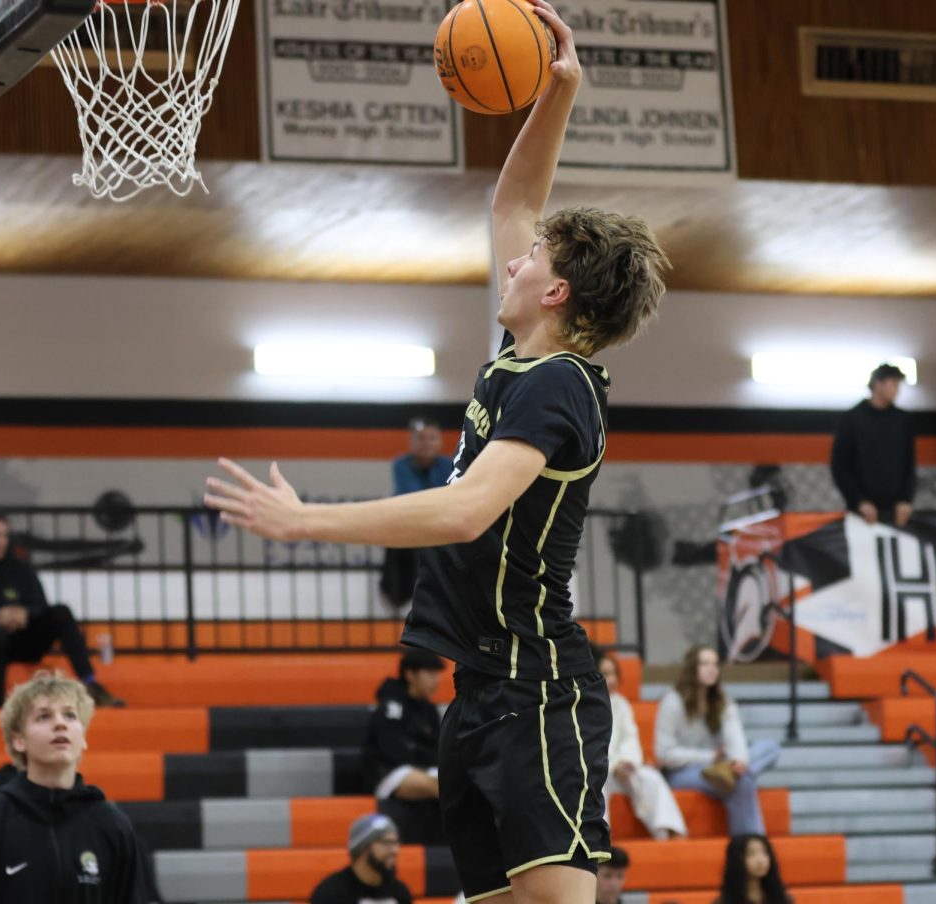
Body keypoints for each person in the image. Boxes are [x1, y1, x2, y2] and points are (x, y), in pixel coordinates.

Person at [202, 5, 668, 903]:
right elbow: (512, 200)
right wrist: (559, 92)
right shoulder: (517, 358)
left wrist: (308, 522)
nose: (512, 259)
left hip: (539, 684)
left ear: (557, 289)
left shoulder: (561, 384)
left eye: (530, 257)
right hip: (479, 689)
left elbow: (462, 510)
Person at [0, 670, 146, 903]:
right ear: (18, 740)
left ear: (83, 738)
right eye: (43, 717)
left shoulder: (113, 826)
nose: (60, 724)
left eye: (70, 716)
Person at [0, 510, 124, 708]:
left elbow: (40, 605)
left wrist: (24, 613)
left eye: (4, 535)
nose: (0, 541)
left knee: (60, 612)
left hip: (25, 639)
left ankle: (90, 684)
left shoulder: (21, 569)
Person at [655, 646, 780, 837]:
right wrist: (710, 757)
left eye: (715, 664)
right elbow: (664, 753)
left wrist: (739, 760)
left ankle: (734, 773)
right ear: (692, 668)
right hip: (682, 771)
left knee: (770, 748)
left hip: (722, 767)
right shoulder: (673, 701)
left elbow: (735, 735)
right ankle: (752, 846)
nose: (711, 669)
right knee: (744, 783)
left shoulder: (722, 700)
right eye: (704, 663)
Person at [595, 649, 685, 840]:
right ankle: (598, 844)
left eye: (613, 673)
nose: (610, 679)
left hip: (620, 767)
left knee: (650, 778)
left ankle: (668, 833)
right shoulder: (584, 707)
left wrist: (626, 762)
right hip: (597, 769)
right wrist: (613, 766)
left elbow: (629, 738)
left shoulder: (622, 704)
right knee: (595, 786)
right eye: (604, 673)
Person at [362, 649, 445, 845]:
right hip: (388, 772)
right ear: (410, 674)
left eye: (437, 674)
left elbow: (438, 748)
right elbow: (392, 750)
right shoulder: (391, 706)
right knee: (444, 786)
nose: (436, 680)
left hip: (420, 769)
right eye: (430, 674)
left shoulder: (429, 710)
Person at [830, 363, 916, 528]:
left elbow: (909, 464)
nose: (897, 390)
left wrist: (905, 499)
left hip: (896, 511)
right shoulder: (851, 419)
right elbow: (840, 466)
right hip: (861, 512)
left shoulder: (902, 420)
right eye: (894, 384)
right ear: (878, 383)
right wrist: (859, 501)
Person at [381, 419, 456, 606]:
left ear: (439, 441)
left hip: (441, 533)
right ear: (412, 442)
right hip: (409, 531)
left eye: (432, 438)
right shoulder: (401, 464)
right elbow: (411, 496)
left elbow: (449, 499)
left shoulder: (449, 465)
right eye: (421, 438)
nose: (426, 443)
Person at [310, 813, 412, 904]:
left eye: (395, 843)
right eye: (387, 843)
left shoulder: (400, 892)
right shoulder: (330, 894)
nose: (395, 850)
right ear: (363, 848)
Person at [717, 834, 792, 904]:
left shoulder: (781, 899)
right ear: (737, 860)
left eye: (764, 853)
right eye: (751, 854)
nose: (760, 860)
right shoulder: (725, 901)